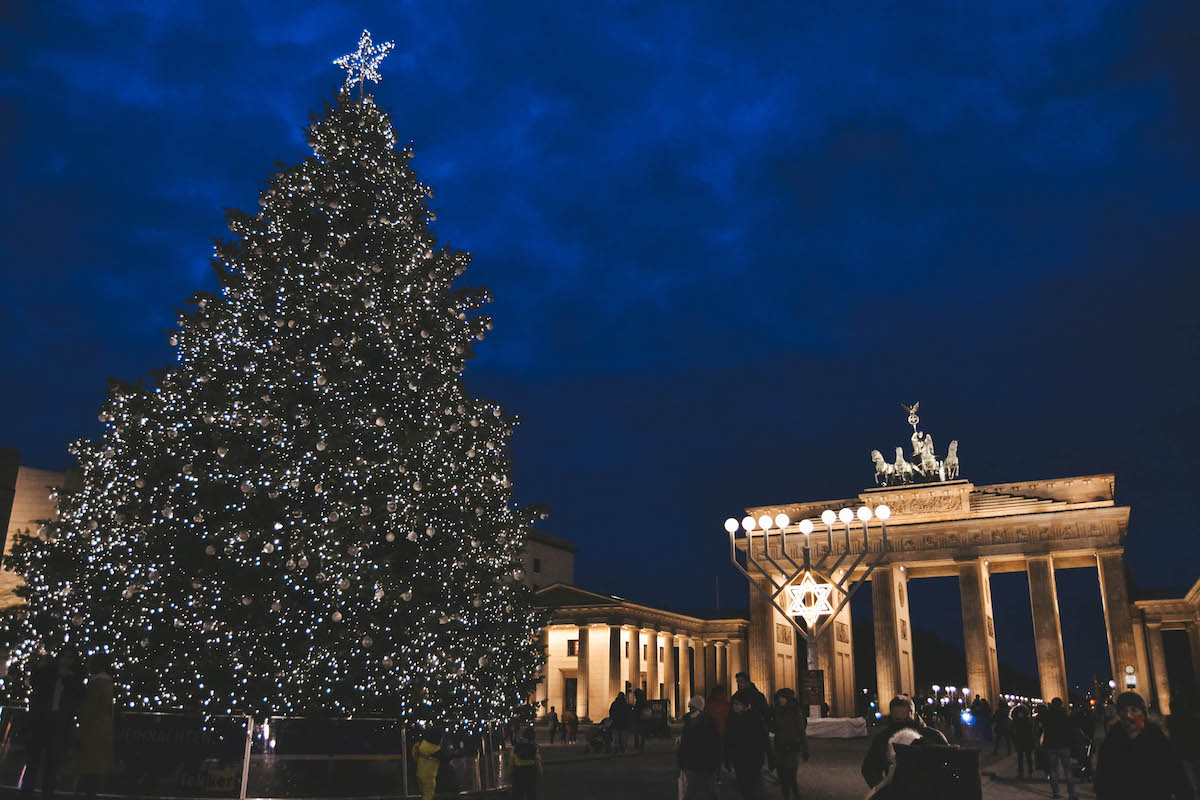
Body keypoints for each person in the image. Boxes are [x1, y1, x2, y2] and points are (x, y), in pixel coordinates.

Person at [1096, 691, 1193, 800]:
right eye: (1123, 710)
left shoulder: (1159, 742)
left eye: (1134, 709)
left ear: (1143, 714)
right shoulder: (1110, 746)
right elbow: (1102, 787)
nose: (1128, 715)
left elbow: (1180, 781)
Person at [22, 648, 83, 799]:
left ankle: (45, 793)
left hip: (58, 724)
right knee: (34, 761)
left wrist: (68, 679)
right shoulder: (47, 673)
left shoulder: (73, 678)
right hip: (41, 721)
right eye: (65, 657)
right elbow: (35, 685)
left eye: (70, 658)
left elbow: (77, 696)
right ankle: (27, 792)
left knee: (52, 763)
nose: (66, 661)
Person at [861, 695, 949, 789]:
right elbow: (869, 769)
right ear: (892, 717)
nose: (903, 725)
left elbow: (949, 763)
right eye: (898, 720)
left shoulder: (933, 736)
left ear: (914, 715)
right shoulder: (882, 738)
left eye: (907, 719)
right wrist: (884, 791)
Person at [73, 655, 115, 800]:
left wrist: (81, 731)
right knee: (94, 771)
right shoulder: (108, 684)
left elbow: (89, 711)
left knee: (87, 769)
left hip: (91, 732)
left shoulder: (96, 684)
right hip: (102, 732)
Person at [725, 696, 770, 800]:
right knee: (742, 786)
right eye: (734, 704)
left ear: (745, 706)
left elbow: (763, 738)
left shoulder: (754, 717)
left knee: (753, 786)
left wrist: (768, 757)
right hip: (739, 758)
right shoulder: (732, 718)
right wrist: (727, 758)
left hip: (753, 758)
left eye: (738, 704)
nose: (735, 707)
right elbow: (728, 739)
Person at [677, 695, 721, 800]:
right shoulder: (689, 721)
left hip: (704, 762)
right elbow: (685, 743)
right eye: (689, 707)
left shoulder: (707, 722)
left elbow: (714, 744)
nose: (690, 710)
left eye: (691, 707)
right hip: (693, 762)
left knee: (707, 789)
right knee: (694, 789)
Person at [772, 688, 809, 800]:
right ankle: (789, 793)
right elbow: (774, 728)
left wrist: (805, 749)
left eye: (782, 697)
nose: (780, 700)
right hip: (779, 746)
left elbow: (801, 731)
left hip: (792, 746)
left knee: (790, 772)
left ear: (788, 698)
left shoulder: (796, 711)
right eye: (779, 697)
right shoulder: (776, 710)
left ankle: (792, 793)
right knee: (782, 773)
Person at [1038, 698, 1078, 800]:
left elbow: (1041, 725)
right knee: (1068, 771)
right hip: (1064, 745)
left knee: (1053, 771)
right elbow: (1071, 729)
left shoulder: (1047, 715)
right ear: (1061, 705)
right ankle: (1072, 794)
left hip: (1051, 746)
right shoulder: (1064, 715)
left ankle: (1056, 793)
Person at [506, 727, 543, 800]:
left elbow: (511, 760)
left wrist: (510, 771)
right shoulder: (533, 747)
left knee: (518, 793)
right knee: (531, 793)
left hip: (519, 771)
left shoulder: (517, 747)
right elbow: (537, 760)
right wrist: (539, 771)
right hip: (530, 770)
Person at [412, 729, 442, 800]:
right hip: (429, 777)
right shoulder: (436, 750)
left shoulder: (421, 746)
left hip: (419, 774)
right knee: (428, 796)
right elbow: (445, 756)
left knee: (422, 794)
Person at [1010, 703, 1037, 778]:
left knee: (1020, 757)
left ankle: (1021, 772)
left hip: (1019, 740)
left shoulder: (1014, 722)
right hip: (1027, 740)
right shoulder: (1028, 721)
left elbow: (1012, 732)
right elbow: (1032, 731)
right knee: (1028, 757)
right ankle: (1030, 772)